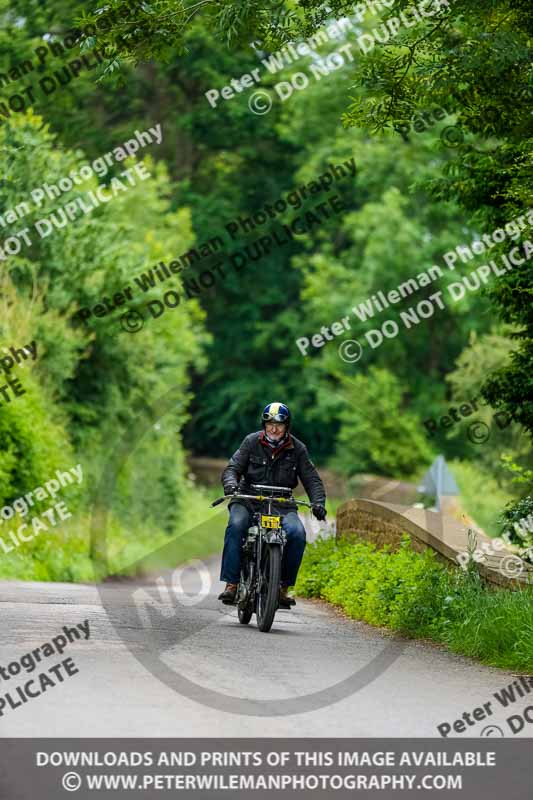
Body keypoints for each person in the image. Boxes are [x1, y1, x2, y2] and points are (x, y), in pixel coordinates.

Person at [217, 402, 327, 608]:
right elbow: (232, 468)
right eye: (269, 424)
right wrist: (231, 485)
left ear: (287, 426)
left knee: (297, 533)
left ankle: (282, 588)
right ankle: (231, 584)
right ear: (264, 424)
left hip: (281, 503)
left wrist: (318, 502)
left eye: (279, 424)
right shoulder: (251, 442)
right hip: (248, 499)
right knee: (236, 525)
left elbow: (312, 479)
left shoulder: (298, 449)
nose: (274, 429)